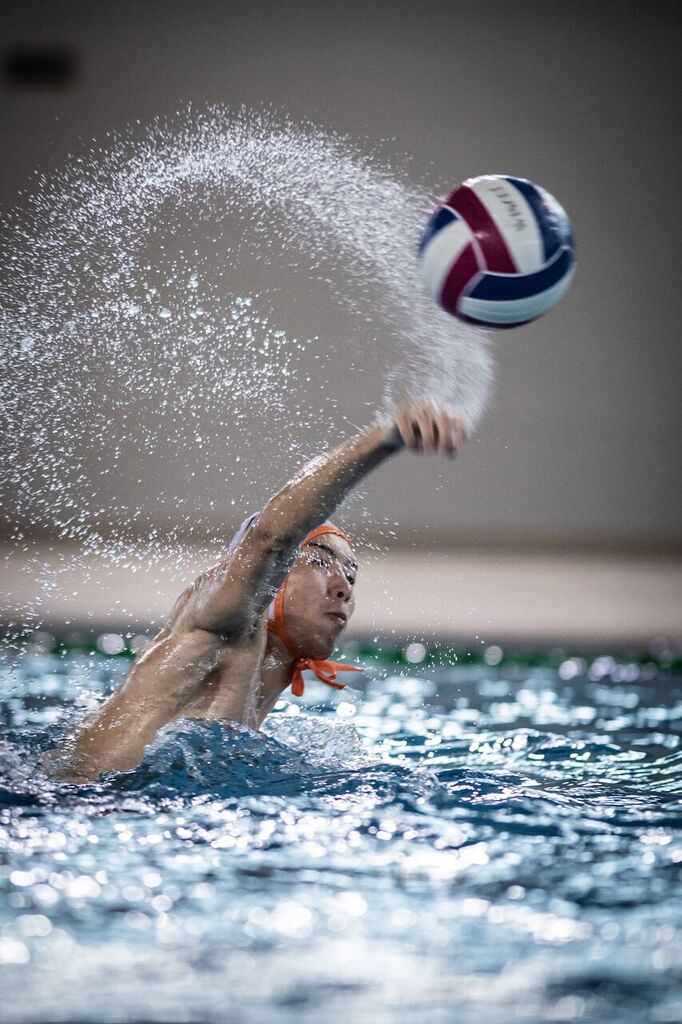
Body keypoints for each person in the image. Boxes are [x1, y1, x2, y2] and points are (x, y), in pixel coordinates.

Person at [56, 401, 466, 781]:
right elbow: (270, 537)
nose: (342, 587)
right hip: (77, 814)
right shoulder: (215, 625)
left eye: (352, 576)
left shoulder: (255, 699)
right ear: (274, 572)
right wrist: (383, 439)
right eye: (321, 562)